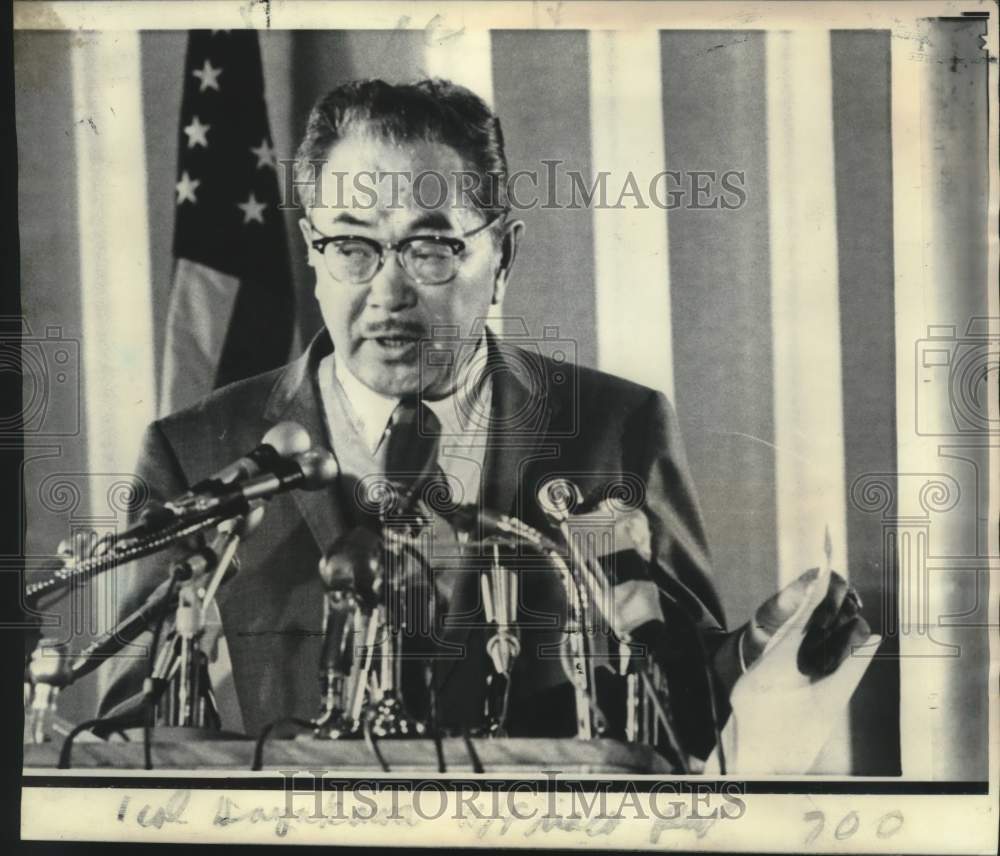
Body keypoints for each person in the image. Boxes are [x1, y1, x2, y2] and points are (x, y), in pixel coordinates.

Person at [96, 79, 870, 762]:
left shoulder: (613, 426)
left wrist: (761, 648)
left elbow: (682, 706)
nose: (388, 292)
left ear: (502, 255)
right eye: (352, 248)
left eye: (429, 248)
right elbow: (130, 725)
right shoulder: (198, 449)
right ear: (309, 250)